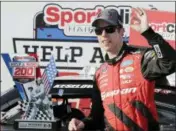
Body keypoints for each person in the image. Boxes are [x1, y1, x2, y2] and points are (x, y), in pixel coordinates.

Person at [68, 7, 176, 131]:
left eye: (109, 29)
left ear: (121, 31)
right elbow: (96, 118)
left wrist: (148, 33)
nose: (103, 35)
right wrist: (83, 123)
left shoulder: (140, 59)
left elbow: (171, 62)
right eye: (98, 30)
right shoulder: (99, 74)